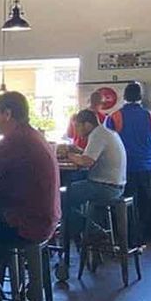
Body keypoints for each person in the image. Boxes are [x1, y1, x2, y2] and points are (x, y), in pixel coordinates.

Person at [0, 91, 60, 301]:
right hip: (44, 220)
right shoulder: (32, 136)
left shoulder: (15, 141)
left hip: (26, 223)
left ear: (7, 114)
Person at [61, 108, 127, 257]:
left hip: (104, 187)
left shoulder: (98, 135)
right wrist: (77, 150)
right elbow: (90, 155)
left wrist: (68, 154)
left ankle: (92, 232)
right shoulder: (106, 133)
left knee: (59, 199)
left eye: (77, 126)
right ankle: (83, 236)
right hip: (116, 186)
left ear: (87, 124)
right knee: (70, 195)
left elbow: (87, 161)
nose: (76, 131)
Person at [105, 82, 151, 240]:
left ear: (124, 97)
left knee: (124, 205)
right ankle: (139, 240)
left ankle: (124, 239)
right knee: (143, 205)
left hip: (122, 170)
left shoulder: (115, 117)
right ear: (140, 97)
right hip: (146, 168)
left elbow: (106, 143)